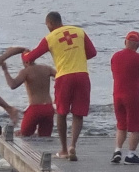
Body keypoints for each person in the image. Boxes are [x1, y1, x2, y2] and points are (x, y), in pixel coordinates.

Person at [22, 12, 96, 161]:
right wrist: (77, 55)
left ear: (50, 23)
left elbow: (31, 57)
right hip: (82, 75)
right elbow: (92, 53)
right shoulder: (79, 31)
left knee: (61, 113)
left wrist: (23, 54)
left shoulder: (50, 38)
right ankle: (73, 145)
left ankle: (63, 149)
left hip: (64, 77)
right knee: (78, 113)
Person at [111, 31, 139, 164]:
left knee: (121, 125)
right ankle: (131, 154)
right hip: (133, 95)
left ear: (125, 42)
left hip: (117, 95)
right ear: (138, 44)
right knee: (136, 125)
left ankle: (117, 151)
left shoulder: (115, 56)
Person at [3, 54, 56, 138]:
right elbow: (61, 77)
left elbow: (12, 85)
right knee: (46, 139)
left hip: (35, 109)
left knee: (24, 136)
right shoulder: (47, 68)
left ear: (25, 61)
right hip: (48, 108)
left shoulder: (26, 72)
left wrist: (5, 71)